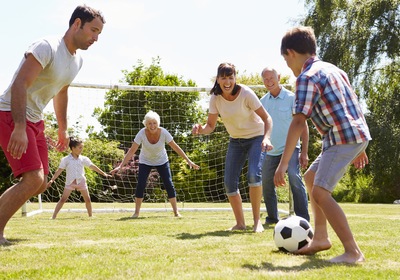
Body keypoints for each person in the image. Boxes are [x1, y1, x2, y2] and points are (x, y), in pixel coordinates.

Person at [0, 5, 105, 245]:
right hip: (10, 113)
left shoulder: (77, 61)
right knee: (33, 179)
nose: (96, 38)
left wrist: (62, 127)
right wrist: (18, 126)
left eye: (99, 33)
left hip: (36, 120)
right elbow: (19, 84)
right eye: (93, 30)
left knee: (41, 183)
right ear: (77, 24)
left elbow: (61, 91)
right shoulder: (46, 47)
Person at [274, 26, 371, 263]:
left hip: (343, 137)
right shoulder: (333, 69)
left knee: (320, 191)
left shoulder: (306, 78)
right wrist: (362, 145)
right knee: (311, 178)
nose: (288, 65)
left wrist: (283, 164)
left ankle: (353, 252)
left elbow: (298, 122)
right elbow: (353, 104)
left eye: (286, 60)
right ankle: (320, 238)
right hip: (353, 134)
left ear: (291, 53)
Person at [192, 63, 273, 233]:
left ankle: (257, 221)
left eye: (231, 77)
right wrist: (200, 130)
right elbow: (210, 126)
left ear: (235, 78)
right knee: (229, 183)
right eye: (224, 77)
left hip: (256, 138)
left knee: (253, 175)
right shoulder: (215, 97)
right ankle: (240, 223)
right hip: (236, 140)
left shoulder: (246, 93)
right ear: (218, 79)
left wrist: (266, 138)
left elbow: (267, 119)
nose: (227, 81)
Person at [111, 111, 200, 218]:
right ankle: (136, 213)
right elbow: (131, 151)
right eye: (149, 123)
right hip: (145, 161)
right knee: (141, 184)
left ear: (158, 123)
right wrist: (120, 167)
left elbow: (175, 147)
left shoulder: (164, 132)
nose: (152, 125)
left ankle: (176, 212)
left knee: (169, 184)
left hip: (162, 160)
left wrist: (188, 160)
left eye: (154, 123)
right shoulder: (141, 133)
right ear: (146, 124)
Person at [260, 67, 310, 224]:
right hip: (271, 151)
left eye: (271, 78)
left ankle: (303, 219)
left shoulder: (291, 98)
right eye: (265, 79)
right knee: (266, 182)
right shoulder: (262, 102)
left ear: (279, 77)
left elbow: (303, 125)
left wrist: (304, 152)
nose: (269, 82)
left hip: (292, 149)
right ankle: (272, 218)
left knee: (294, 177)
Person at [47, 137, 112, 219]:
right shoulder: (66, 159)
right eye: (80, 147)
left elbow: (92, 166)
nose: (81, 149)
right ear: (73, 148)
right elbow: (59, 170)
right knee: (63, 199)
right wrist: (52, 180)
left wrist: (104, 174)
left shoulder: (83, 159)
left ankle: (90, 216)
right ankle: (53, 216)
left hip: (81, 182)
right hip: (70, 183)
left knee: (88, 199)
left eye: (82, 147)